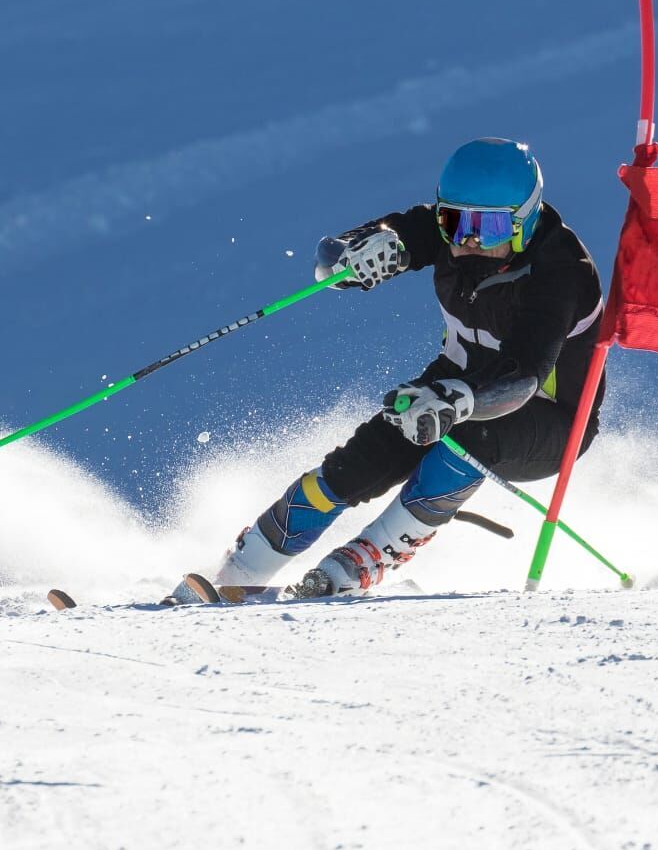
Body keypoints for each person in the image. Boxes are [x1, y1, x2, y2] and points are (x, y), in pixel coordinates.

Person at [171, 138, 607, 603]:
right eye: (456, 222)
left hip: (550, 418)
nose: (470, 241)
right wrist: (357, 255)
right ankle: (239, 572)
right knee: (363, 459)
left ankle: (360, 562)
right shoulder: (440, 232)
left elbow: (524, 378)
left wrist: (461, 399)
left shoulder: (560, 275)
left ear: (526, 220)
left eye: (492, 227)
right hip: (454, 384)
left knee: (468, 442)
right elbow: (332, 256)